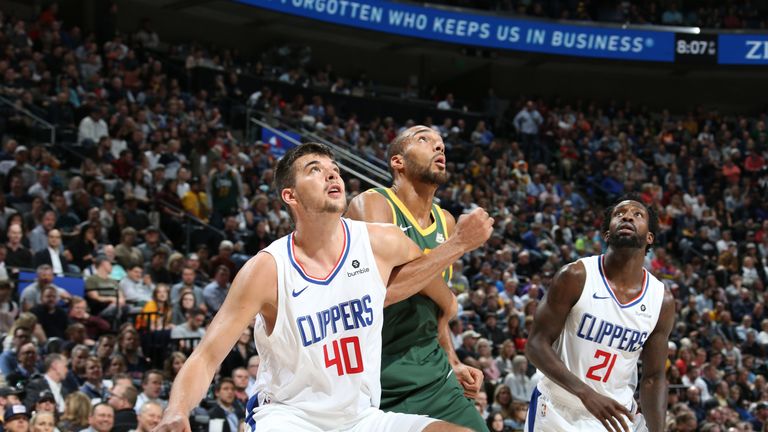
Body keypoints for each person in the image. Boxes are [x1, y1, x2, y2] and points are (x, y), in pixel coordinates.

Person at [154, 143, 492, 432]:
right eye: (315, 170)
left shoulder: (381, 242)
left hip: (360, 417)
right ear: (290, 195)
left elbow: (430, 292)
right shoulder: (267, 269)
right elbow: (206, 356)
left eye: (334, 169)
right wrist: (176, 410)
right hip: (290, 417)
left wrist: (451, 346)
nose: (332, 175)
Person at [346, 125, 487, 431]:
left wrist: (453, 359)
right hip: (378, 378)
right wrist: (459, 246)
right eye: (424, 139)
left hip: (433, 373)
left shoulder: (447, 222)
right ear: (398, 161)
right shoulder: (372, 204)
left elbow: (436, 310)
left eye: (441, 144)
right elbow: (378, 295)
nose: (439, 148)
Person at [525, 198, 675, 432]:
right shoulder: (575, 276)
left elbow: (654, 378)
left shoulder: (661, 300)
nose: (627, 217)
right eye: (619, 214)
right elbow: (535, 345)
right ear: (606, 234)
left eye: (638, 215)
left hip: (615, 418)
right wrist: (587, 394)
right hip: (557, 411)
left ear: (649, 238)